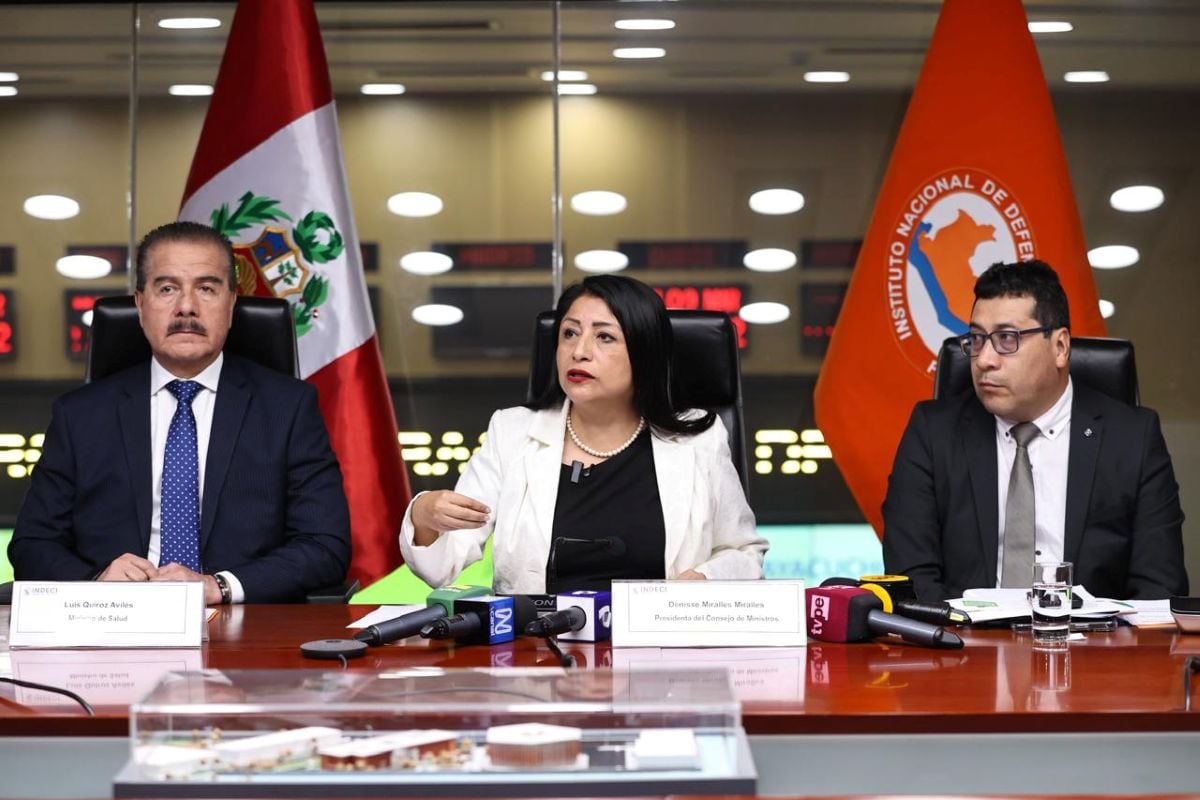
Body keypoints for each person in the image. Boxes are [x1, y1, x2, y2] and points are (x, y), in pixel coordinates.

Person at [9, 221, 350, 604]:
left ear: (231, 302)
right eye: (167, 288)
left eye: (206, 288)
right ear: (140, 304)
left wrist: (218, 586)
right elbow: (31, 546)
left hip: (240, 630)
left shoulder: (288, 408)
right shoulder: (80, 416)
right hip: (113, 628)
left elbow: (325, 547)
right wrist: (97, 580)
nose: (186, 307)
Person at [399, 275, 767, 594]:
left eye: (605, 337)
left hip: (658, 653)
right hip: (540, 653)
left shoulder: (698, 439)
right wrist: (424, 516)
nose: (579, 351)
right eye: (569, 333)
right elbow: (443, 566)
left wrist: (704, 578)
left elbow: (744, 554)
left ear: (644, 353)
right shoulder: (512, 432)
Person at [882, 260, 1187, 602]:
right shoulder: (933, 432)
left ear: (1059, 347)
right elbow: (912, 577)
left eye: (1006, 339)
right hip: (963, 648)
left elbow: (1159, 589)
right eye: (977, 339)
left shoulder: (1132, 438)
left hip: (1094, 648)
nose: (984, 359)